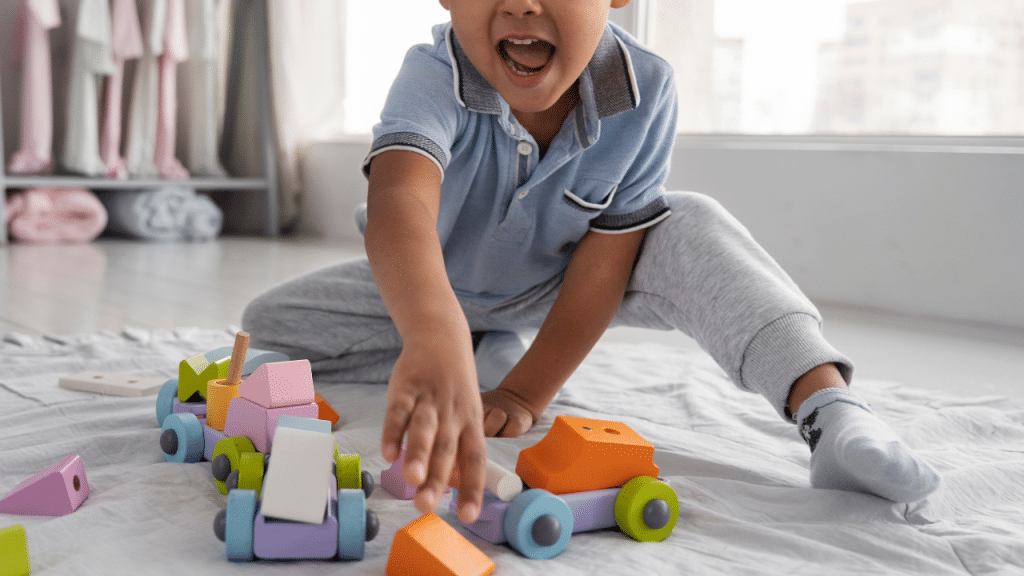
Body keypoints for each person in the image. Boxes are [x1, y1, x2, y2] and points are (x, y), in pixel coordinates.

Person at [242, 0, 939, 526]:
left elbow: (605, 266)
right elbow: (398, 199)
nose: (521, 4)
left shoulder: (645, 89)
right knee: (266, 324)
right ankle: (477, 346)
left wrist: (523, 396)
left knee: (689, 222)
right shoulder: (433, 73)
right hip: (433, 282)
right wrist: (434, 330)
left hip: (560, 284)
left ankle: (830, 411)